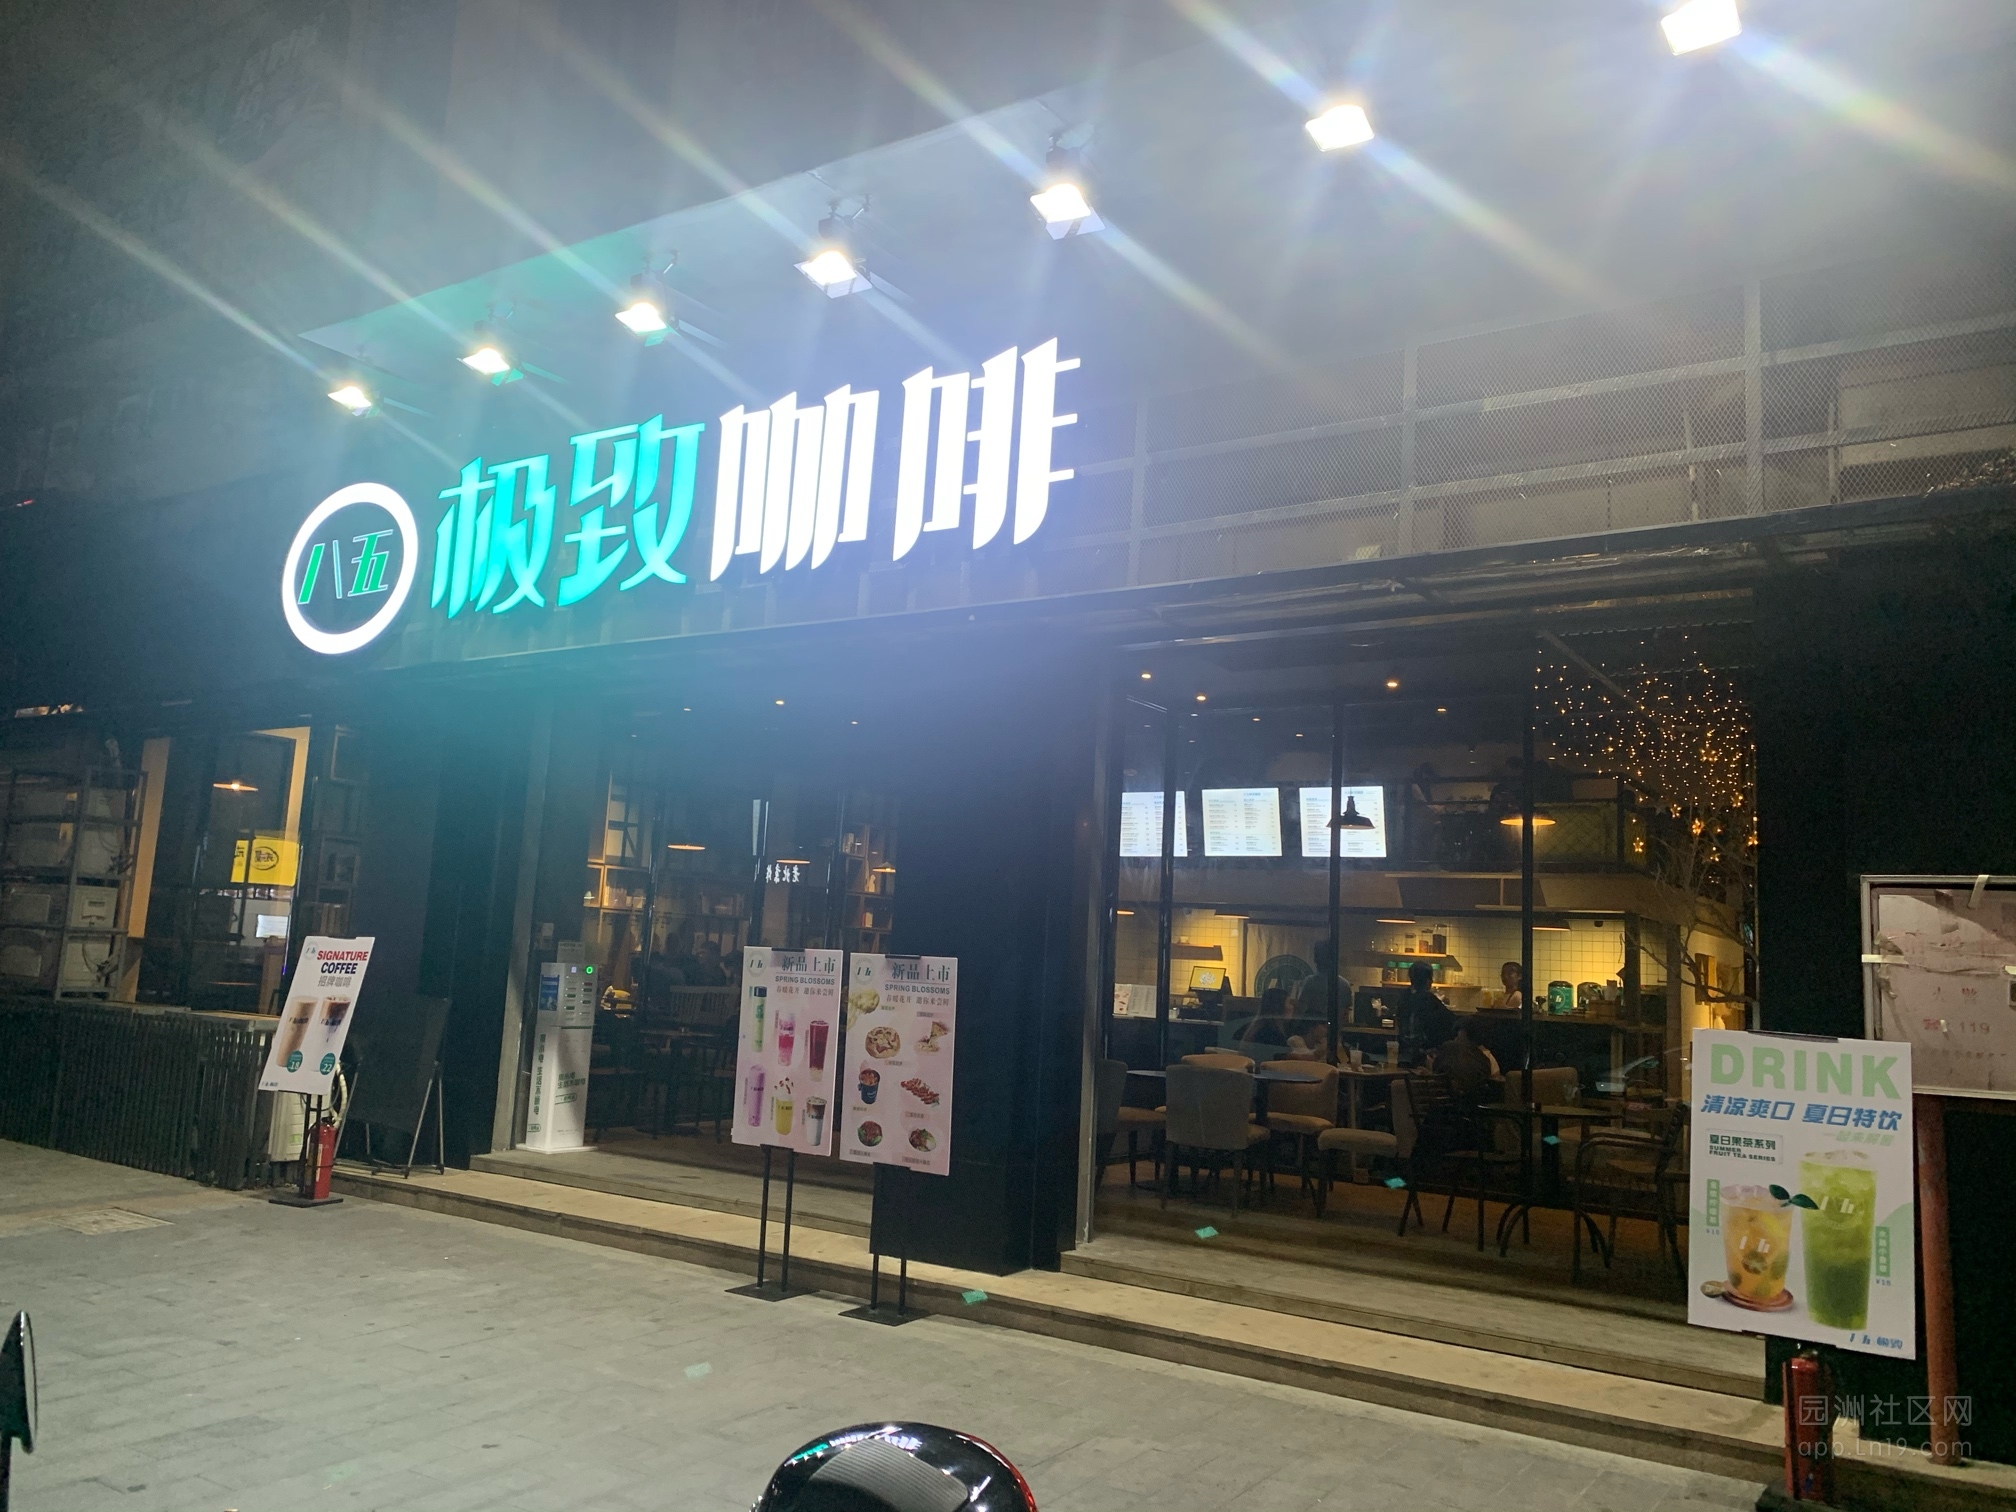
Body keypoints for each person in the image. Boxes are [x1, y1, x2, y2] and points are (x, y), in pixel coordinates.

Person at [1395, 960, 1456, 1066]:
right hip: (1424, 1055)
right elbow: (1450, 1021)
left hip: (1403, 1052)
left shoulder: (1403, 996)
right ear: (1427, 981)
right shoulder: (1429, 1000)